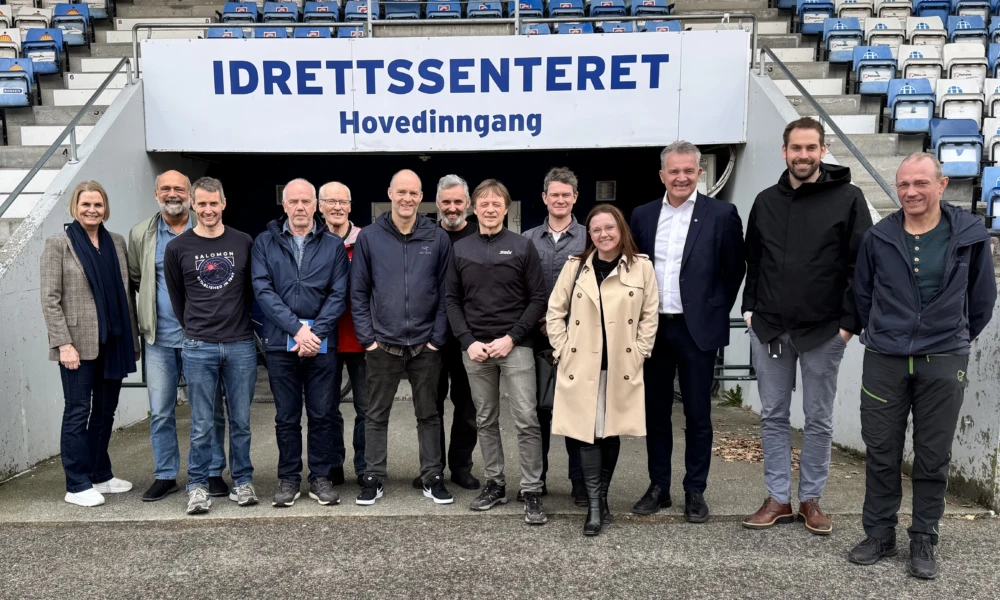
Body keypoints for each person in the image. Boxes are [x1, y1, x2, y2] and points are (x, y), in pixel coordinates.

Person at [849, 153, 996, 579]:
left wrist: (954, 337)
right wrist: (884, 332)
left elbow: (981, 299)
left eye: (920, 183)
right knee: (881, 451)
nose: (910, 192)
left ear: (942, 184)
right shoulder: (878, 237)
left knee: (933, 456)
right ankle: (879, 534)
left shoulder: (968, 235)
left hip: (944, 358)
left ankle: (924, 537)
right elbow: (863, 294)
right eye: (903, 185)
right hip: (885, 358)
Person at [741, 117, 874, 535]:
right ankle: (778, 498)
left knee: (818, 419)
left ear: (823, 150)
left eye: (810, 148)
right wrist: (749, 311)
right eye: (796, 148)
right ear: (785, 151)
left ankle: (811, 499)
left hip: (824, 332)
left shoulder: (849, 198)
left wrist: (848, 326)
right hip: (770, 329)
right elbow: (754, 261)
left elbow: (861, 267)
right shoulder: (766, 201)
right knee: (773, 416)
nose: (803, 155)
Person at [629, 141, 746, 522]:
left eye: (688, 170)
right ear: (662, 175)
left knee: (698, 414)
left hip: (698, 330)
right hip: (653, 328)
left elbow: (735, 269)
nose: (681, 177)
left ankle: (695, 490)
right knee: (656, 413)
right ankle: (659, 487)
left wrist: (714, 308)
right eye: (674, 171)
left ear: (700, 172)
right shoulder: (643, 215)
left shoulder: (722, 214)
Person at [546, 204, 659, 536]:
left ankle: (602, 499)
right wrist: (562, 349)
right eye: (596, 229)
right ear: (589, 234)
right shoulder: (576, 266)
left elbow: (649, 314)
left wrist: (640, 352)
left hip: (620, 364)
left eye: (609, 227)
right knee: (587, 432)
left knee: (610, 431)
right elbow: (555, 310)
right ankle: (595, 506)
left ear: (621, 229)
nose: (603, 234)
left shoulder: (641, 267)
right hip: (582, 364)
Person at [446, 179, 550, 525]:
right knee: (485, 419)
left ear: (506, 209)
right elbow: (451, 300)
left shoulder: (522, 246)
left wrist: (513, 337)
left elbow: (538, 298)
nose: (490, 209)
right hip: (475, 350)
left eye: (496, 203)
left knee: (526, 419)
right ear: (474, 208)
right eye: (484, 203)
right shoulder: (461, 249)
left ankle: (532, 489)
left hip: (515, 347)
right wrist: (467, 341)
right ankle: (495, 484)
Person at [351, 169, 454, 506]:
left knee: (429, 415)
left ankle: (432, 477)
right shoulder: (370, 237)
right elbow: (358, 292)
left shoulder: (436, 237)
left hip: (426, 345)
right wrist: (368, 339)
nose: (407, 198)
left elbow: (446, 293)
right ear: (390, 193)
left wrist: (437, 338)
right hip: (383, 344)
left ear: (421, 197)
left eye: (413, 193)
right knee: (375, 415)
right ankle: (373, 477)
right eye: (402, 192)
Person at [128, 171, 231, 502]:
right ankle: (165, 474)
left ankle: (213, 471)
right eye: (166, 188)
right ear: (156, 194)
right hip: (160, 339)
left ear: (191, 196)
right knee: (161, 410)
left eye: (179, 189)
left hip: (202, 337)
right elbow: (136, 281)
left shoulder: (207, 228)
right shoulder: (141, 234)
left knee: (210, 409)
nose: (172, 194)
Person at [40, 181, 140, 507]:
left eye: (98, 204)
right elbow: (50, 299)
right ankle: (77, 483)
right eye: (86, 205)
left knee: (105, 412)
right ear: (75, 207)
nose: (92, 210)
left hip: (114, 342)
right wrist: (63, 343)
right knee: (78, 412)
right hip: (77, 345)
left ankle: (100, 473)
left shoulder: (117, 242)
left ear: (105, 208)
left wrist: (133, 339)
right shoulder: (59, 244)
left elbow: (127, 294)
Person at [252, 179, 349, 507]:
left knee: (323, 414)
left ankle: (320, 477)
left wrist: (315, 334)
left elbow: (338, 294)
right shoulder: (264, 242)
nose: (300, 207)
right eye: (293, 201)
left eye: (306, 201)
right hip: (281, 344)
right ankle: (289, 479)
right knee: (286, 417)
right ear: (284, 205)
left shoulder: (333, 245)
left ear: (316, 205)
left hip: (321, 344)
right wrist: (297, 330)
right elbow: (263, 290)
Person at [164, 177, 259, 515]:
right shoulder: (177, 247)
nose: (208, 209)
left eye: (213, 203)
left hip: (240, 344)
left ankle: (243, 480)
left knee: (241, 421)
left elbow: (251, 290)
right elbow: (178, 298)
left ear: (223, 203)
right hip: (198, 345)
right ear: (192, 204)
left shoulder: (243, 241)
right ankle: (198, 486)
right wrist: (195, 329)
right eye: (201, 203)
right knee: (202, 423)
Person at [406, 174, 482, 493]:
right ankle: (432, 468)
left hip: (470, 338)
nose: (452, 208)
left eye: (458, 202)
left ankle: (461, 467)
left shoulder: (480, 235)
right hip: (430, 338)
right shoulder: (424, 236)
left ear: (468, 204)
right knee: (430, 407)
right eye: (446, 202)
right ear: (437, 203)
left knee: (467, 408)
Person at [522, 167, 588, 504]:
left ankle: (579, 482)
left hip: (580, 339)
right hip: (535, 336)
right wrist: (541, 321)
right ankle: (537, 480)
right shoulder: (527, 239)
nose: (560, 200)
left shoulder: (590, 238)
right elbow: (519, 288)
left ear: (574, 198)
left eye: (566, 195)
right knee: (537, 412)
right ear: (544, 198)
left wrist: (562, 324)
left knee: (576, 411)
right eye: (554, 194)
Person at [319, 181, 367, 486]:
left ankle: (365, 467)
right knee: (326, 409)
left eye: (343, 202)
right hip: (323, 338)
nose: (337, 207)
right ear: (320, 206)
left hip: (362, 338)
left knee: (367, 409)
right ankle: (333, 463)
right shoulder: (312, 240)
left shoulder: (367, 240)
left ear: (350, 206)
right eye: (330, 201)